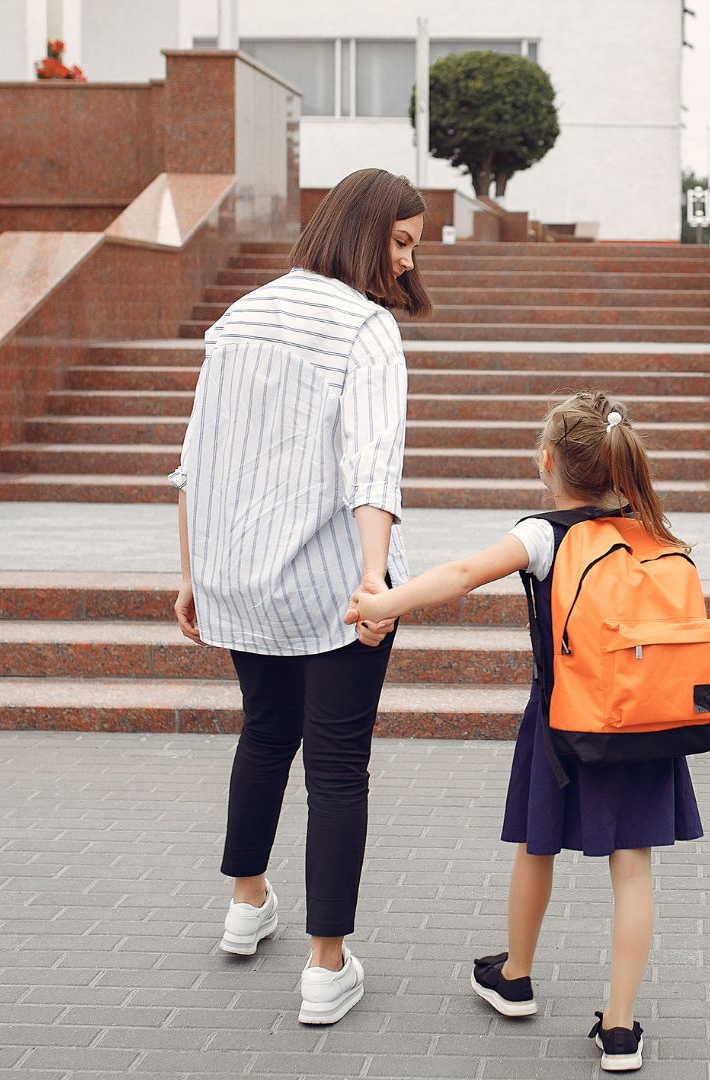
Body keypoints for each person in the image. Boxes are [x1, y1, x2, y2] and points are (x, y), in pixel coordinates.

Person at [344, 391, 704, 1073]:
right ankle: (620, 1030)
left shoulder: (544, 533)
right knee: (633, 871)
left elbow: (461, 574)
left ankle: (515, 975)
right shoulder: (652, 531)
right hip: (646, 721)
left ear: (548, 461)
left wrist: (383, 601)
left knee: (537, 846)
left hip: (565, 720)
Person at [169, 167, 431, 1026]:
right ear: (361, 232)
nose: (403, 265)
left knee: (266, 731)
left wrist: (191, 573)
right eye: (399, 243)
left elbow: (195, 459)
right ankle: (326, 966)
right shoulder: (365, 331)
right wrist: (373, 581)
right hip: (328, 583)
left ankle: (247, 905)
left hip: (239, 576)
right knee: (337, 765)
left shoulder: (238, 317)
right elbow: (372, 465)